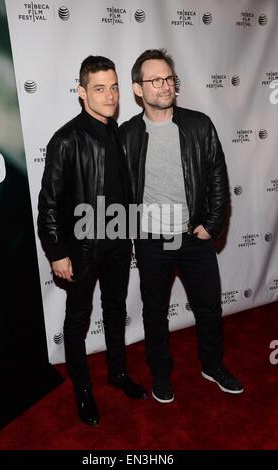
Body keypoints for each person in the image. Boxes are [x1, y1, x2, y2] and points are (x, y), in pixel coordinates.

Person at [119, 49, 243, 404]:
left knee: (208, 307)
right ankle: (160, 373)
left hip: (194, 236)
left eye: (169, 78)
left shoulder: (199, 124)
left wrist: (213, 223)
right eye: (154, 80)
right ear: (137, 89)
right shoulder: (127, 134)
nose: (164, 85)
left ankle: (213, 365)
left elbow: (218, 176)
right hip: (151, 240)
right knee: (155, 312)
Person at [37, 55, 147, 427]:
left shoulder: (117, 131)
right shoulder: (66, 139)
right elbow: (48, 202)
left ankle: (117, 374)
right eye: (100, 88)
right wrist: (56, 252)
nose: (110, 95)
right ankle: (83, 390)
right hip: (81, 248)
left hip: (118, 241)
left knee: (116, 310)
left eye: (114, 87)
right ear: (82, 92)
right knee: (77, 320)